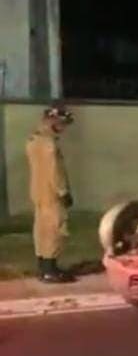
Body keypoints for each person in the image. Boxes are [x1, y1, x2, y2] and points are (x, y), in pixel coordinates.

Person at [26, 105, 76, 283]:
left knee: (41, 228)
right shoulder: (49, 143)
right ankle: (50, 269)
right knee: (55, 228)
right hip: (51, 192)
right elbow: (55, 171)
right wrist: (63, 192)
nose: (64, 128)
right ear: (55, 121)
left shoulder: (34, 139)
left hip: (38, 191)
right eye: (63, 123)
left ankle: (43, 266)